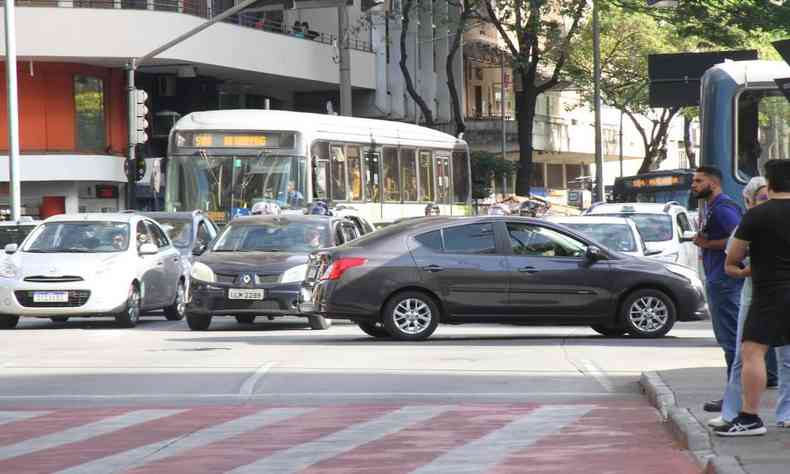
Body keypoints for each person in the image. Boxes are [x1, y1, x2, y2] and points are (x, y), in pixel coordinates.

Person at [714, 160, 790, 436]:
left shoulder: (757, 215)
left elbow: (732, 260)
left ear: (769, 185)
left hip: (769, 293)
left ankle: (749, 417)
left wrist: (744, 269)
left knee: (752, 352)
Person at [691, 166, 744, 413]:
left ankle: (735, 400)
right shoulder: (711, 207)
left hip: (725, 280)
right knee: (728, 340)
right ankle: (733, 397)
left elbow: (740, 239)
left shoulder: (724, 208)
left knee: (731, 340)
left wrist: (707, 243)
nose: (694, 185)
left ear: (713, 183)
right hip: (717, 278)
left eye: (699, 181)